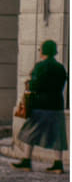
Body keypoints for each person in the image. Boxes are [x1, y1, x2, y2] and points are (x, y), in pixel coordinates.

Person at [12, 39, 67, 173]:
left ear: (43, 51)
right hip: (57, 105)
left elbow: (35, 85)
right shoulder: (61, 67)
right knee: (57, 135)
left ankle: (26, 161)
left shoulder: (40, 66)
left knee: (29, 132)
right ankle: (58, 164)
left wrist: (30, 83)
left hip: (41, 105)